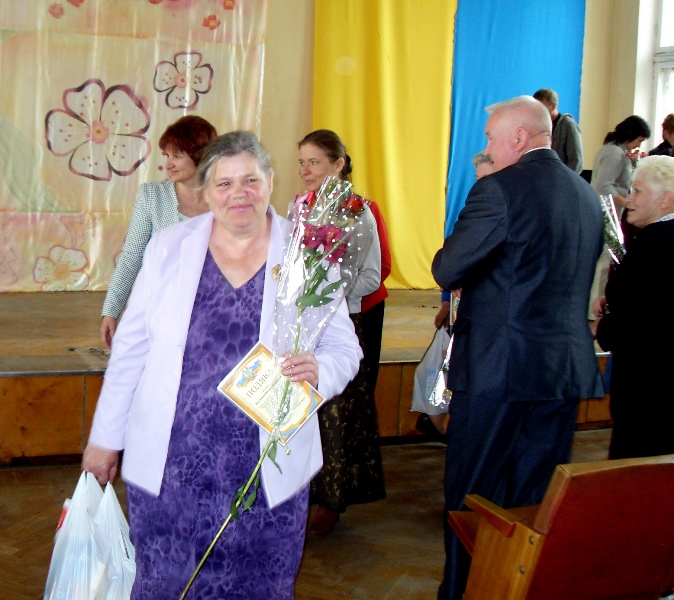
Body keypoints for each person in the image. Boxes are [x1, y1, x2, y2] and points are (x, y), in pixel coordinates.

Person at [82, 131, 362, 599]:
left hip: (265, 465)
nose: (239, 194)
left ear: (270, 181)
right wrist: (104, 439)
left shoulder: (306, 254)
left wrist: (320, 370)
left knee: (260, 586)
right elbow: (131, 350)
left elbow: (344, 348)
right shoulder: (168, 247)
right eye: (225, 183)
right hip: (172, 463)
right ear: (206, 191)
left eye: (251, 180)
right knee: (167, 582)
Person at [431, 95, 604, 600]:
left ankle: (464, 593)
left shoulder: (499, 190)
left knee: (472, 496)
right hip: (561, 371)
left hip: (498, 370)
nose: (486, 147)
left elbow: (447, 268)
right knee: (533, 505)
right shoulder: (585, 193)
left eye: (490, 138)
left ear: (520, 138)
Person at [297, 129, 386, 535]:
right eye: (302, 162)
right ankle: (301, 491)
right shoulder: (299, 207)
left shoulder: (358, 212)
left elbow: (371, 277)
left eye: (314, 162)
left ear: (339, 164)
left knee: (337, 413)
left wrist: (325, 293)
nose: (305, 170)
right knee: (303, 408)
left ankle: (333, 499)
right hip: (302, 324)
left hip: (342, 324)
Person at [100, 115, 217, 348]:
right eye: (167, 155)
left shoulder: (224, 197)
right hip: (161, 315)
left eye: (177, 156)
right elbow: (131, 257)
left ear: (201, 155)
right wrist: (111, 311)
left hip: (213, 314)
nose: (168, 163)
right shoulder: (152, 196)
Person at [591, 155, 674, 459]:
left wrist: (605, 326)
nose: (629, 199)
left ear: (665, 199)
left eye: (638, 191)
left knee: (636, 466)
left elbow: (640, 320)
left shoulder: (652, 243)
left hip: (647, 384)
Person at [588, 115, 651, 318]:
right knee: (605, 260)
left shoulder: (612, 149)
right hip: (608, 211)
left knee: (603, 259)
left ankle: (593, 307)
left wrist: (633, 164)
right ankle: (595, 310)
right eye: (640, 140)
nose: (639, 144)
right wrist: (628, 202)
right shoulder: (615, 153)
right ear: (632, 135)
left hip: (605, 210)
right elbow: (604, 185)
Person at [433, 152, 493, 330]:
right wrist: (446, 302)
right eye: (478, 179)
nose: (481, 186)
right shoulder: (472, 211)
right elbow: (453, 255)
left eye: (486, 179)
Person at [533, 88, 584, 173]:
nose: (538, 112)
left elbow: (576, 161)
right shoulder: (538, 125)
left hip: (561, 177)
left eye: (542, 108)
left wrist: (563, 178)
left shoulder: (568, 125)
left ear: (553, 106)